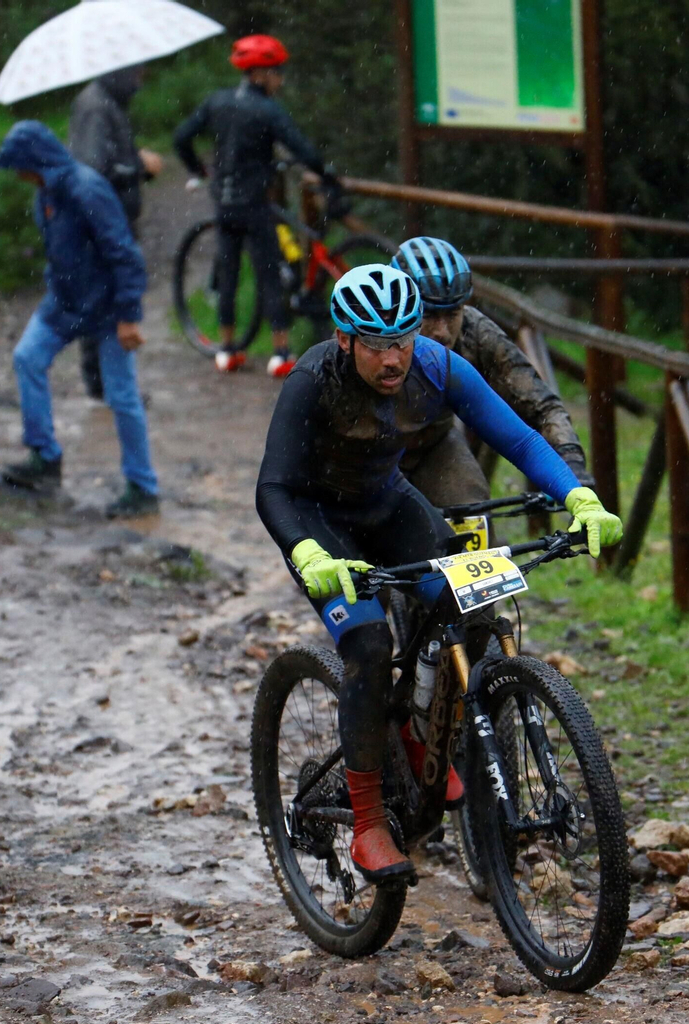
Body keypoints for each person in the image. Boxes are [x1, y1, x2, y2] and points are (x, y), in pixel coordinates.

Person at [255, 264, 622, 881]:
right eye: (376, 344)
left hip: (389, 505)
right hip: (321, 522)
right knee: (370, 646)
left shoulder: (436, 365)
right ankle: (369, 823)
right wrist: (309, 554)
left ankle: (420, 737)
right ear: (345, 339)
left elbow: (520, 440)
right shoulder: (313, 380)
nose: (392, 358)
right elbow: (273, 488)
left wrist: (577, 497)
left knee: (472, 604)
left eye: (402, 339)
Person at [0, 121, 160, 519]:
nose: (19, 176)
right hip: (64, 302)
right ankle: (44, 458)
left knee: (121, 396)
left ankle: (143, 488)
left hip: (107, 308)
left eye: (21, 167)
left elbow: (124, 253)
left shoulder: (87, 189)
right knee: (27, 358)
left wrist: (129, 315)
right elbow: (59, 254)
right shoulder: (45, 194)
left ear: (36, 161)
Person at [173, 34, 337, 378]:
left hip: (224, 202)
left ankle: (228, 350)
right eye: (277, 72)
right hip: (255, 203)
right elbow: (303, 149)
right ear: (260, 74)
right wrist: (326, 174)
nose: (281, 80)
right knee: (268, 275)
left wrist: (198, 170)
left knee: (229, 272)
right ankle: (281, 353)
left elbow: (181, 137)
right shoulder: (267, 110)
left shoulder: (217, 101)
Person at [392, 236, 590, 506]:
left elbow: (540, 405)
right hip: (370, 453)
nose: (442, 332)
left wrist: (571, 463)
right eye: (428, 315)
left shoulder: (474, 331)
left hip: (434, 447)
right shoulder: (374, 341)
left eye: (452, 314)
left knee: (470, 505)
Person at [69, 63, 163, 402]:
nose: (141, 78)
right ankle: (108, 387)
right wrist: (139, 165)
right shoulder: (96, 106)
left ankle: (108, 386)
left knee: (107, 303)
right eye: (137, 72)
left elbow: (109, 160)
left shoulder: (107, 102)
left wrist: (135, 163)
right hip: (103, 226)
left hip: (112, 222)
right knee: (107, 306)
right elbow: (92, 169)